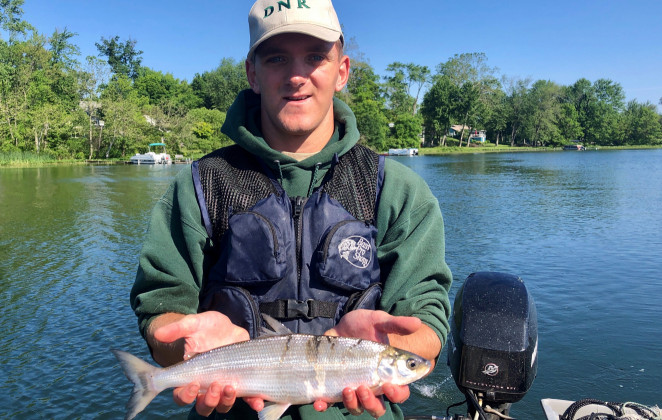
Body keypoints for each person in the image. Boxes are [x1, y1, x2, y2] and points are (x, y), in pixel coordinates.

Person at [130, 0, 452, 418]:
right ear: (253, 73)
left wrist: (389, 350)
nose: (297, 76)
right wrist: (181, 346)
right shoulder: (199, 185)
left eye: (315, 56)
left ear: (342, 70)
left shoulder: (398, 190)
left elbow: (428, 326)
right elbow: (159, 312)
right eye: (277, 58)